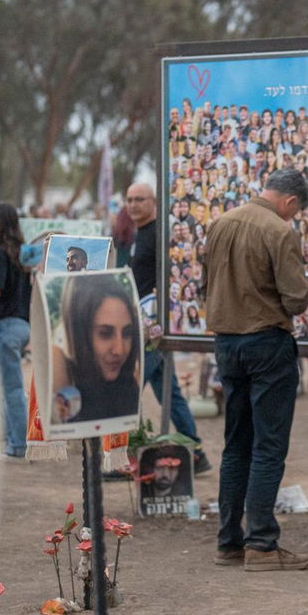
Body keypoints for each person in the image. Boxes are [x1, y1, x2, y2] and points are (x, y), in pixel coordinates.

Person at [203, 168, 308, 572]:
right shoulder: (280, 230)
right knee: (268, 446)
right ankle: (262, 543)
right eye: (295, 212)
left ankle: (229, 541)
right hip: (267, 342)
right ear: (291, 202)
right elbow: (296, 299)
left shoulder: (220, 223)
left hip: (226, 343)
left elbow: (206, 284)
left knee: (236, 444)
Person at [125, 182, 209, 472]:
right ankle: (196, 453)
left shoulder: (159, 233)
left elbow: (170, 278)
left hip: (152, 329)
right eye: (129, 200)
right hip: (145, 326)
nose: (133, 205)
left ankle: (123, 458)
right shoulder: (141, 234)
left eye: (139, 199)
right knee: (169, 394)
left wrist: (158, 321)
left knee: (127, 389)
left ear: (154, 202)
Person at [52, 272, 140, 424]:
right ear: (79, 334)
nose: (119, 350)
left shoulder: (129, 382)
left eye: (127, 333)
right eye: (105, 334)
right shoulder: (60, 369)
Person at [0, 203, 32, 459]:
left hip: (5, 325)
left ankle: (17, 445)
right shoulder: (20, 254)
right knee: (10, 387)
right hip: (22, 324)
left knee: (11, 388)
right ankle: (10, 438)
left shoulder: (0, 254)